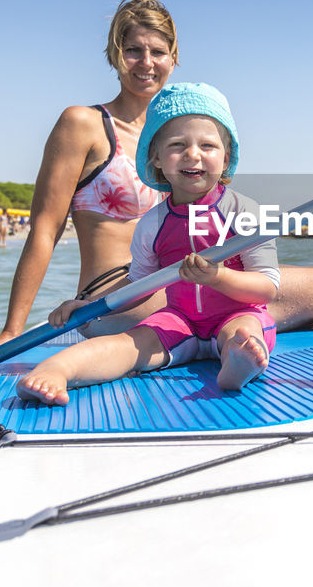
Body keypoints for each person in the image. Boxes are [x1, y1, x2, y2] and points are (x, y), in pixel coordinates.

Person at [0, 0, 313, 359]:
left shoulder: (179, 135)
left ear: (174, 57)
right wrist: (13, 329)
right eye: (132, 50)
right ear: (114, 55)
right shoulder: (83, 124)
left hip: (185, 283)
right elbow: (45, 229)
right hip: (119, 296)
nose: (146, 63)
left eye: (158, 51)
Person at [16, 84, 276, 403]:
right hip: (181, 320)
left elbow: (266, 288)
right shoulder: (153, 223)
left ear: (226, 158)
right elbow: (138, 285)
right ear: (156, 157)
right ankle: (58, 369)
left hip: (238, 313)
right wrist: (89, 307)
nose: (193, 154)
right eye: (178, 144)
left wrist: (219, 278)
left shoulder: (243, 212)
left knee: (246, 332)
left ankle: (239, 363)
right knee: (130, 343)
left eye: (208, 145)